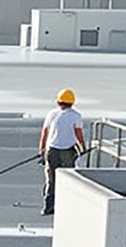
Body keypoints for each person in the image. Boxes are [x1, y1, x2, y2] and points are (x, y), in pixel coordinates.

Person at [40, 88, 85, 216]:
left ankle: (48, 207)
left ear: (58, 101)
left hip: (52, 150)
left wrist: (42, 150)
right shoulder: (76, 116)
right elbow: (79, 134)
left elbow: (45, 133)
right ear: (72, 102)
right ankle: (67, 206)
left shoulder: (51, 114)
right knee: (68, 179)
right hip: (68, 152)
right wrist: (83, 147)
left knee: (51, 180)